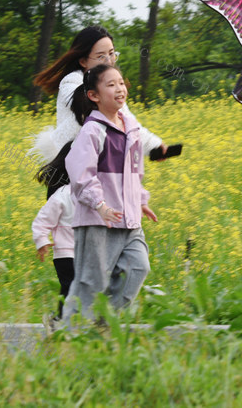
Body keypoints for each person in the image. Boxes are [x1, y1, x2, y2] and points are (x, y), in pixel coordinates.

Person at [62, 64, 156, 324]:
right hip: (98, 220)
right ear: (94, 95)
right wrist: (100, 205)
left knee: (138, 268)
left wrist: (141, 201)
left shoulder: (132, 128)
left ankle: (102, 325)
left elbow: (135, 173)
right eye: (111, 85)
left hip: (128, 218)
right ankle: (69, 334)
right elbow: (80, 173)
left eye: (122, 83)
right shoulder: (92, 131)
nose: (120, 89)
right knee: (92, 282)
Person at [30, 26, 164, 199]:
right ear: (83, 61)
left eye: (112, 54)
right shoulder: (71, 82)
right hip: (69, 174)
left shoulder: (111, 89)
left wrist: (154, 146)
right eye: (101, 56)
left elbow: (129, 124)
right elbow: (82, 104)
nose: (109, 61)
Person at [31, 185, 75, 321]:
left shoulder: (96, 192)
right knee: (69, 288)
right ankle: (60, 321)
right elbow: (42, 220)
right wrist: (42, 240)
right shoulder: (63, 193)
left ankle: (74, 322)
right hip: (65, 253)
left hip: (89, 253)